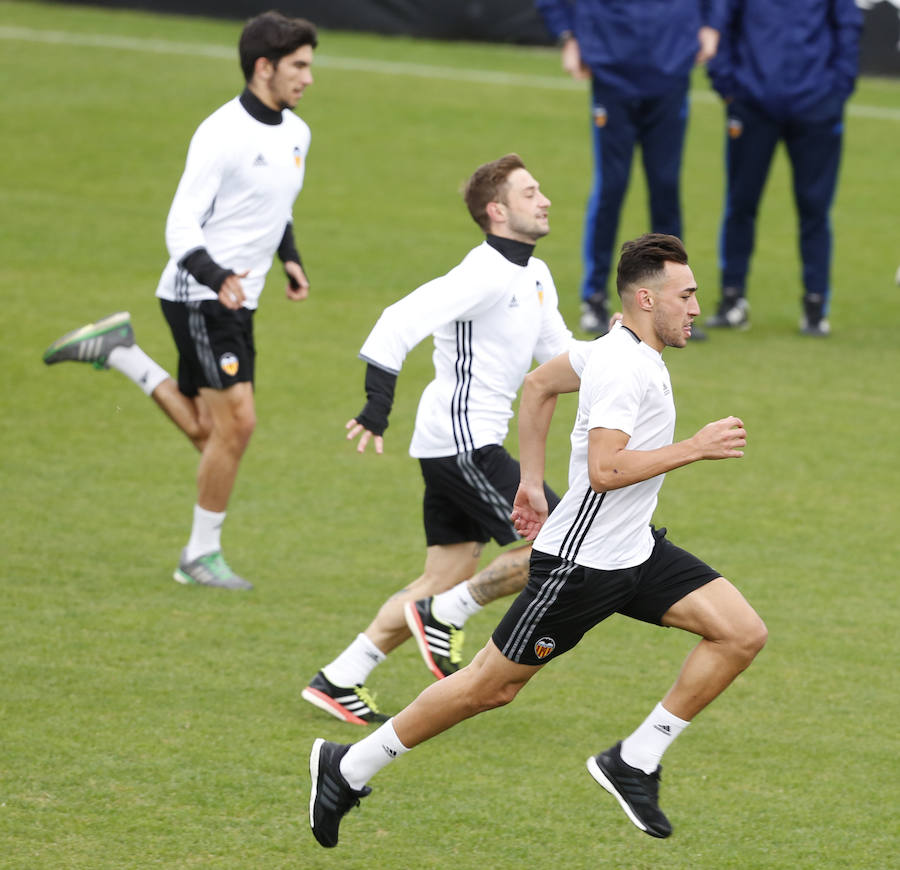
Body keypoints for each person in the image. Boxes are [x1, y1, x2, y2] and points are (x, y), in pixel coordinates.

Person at [308, 233, 767, 848]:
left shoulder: (611, 347)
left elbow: (538, 386)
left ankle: (634, 761)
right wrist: (697, 447)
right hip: (582, 565)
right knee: (487, 688)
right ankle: (349, 766)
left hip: (635, 551)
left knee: (741, 632)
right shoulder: (624, 367)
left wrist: (529, 483)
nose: (694, 308)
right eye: (684, 296)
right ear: (644, 299)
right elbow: (606, 470)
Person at [41, 11, 318, 590]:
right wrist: (215, 277)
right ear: (263, 67)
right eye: (299, 66)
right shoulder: (221, 133)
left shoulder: (296, 132)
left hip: (242, 299)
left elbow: (275, 205)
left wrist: (289, 257)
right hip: (200, 296)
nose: (308, 78)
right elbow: (180, 226)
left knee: (211, 430)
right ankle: (199, 555)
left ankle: (122, 354)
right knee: (237, 426)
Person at [301, 153, 574, 724]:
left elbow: (558, 360)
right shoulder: (483, 273)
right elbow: (399, 320)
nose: (544, 199)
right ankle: (445, 613)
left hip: (454, 442)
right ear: (497, 211)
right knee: (558, 545)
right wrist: (378, 405)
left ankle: (339, 677)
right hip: (462, 442)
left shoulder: (534, 275)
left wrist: (626, 358)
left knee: (442, 575)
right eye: (530, 193)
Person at [535, 0, 723, 337]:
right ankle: (594, 298)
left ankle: (677, 304)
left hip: (670, 70)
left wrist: (711, 23)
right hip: (612, 70)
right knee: (612, 186)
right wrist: (568, 36)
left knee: (665, 187)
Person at [704, 0, 862, 336]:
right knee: (741, 203)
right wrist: (727, 85)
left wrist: (837, 90)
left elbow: (848, 24)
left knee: (815, 208)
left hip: (816, 106)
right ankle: (733, 300)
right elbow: (722, 22)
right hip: (752, 103)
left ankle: (815, 307)